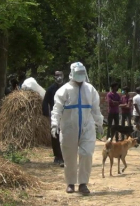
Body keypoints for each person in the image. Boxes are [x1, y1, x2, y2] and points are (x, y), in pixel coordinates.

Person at [51, 62, 104, 195]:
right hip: (69, 128)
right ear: (72, 74)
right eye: (78, 74)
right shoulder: (63, 90)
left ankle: (83, 183)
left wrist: (100, 123)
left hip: (87, 128)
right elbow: (56, 109)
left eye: (82, 73)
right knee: (69, 157)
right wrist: (54, 124)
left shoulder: (90, 90)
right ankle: (70, 183)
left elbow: (96, 109)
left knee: (86, 154)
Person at [43, 71, 65, 167]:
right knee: (55, 135)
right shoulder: (51, 89)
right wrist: (46, 114)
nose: (58, 77)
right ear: (54, 77)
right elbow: (45, 102)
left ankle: (65, 156)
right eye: (56, 75)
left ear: (63, 76)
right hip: (55, 116)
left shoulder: (67, 88)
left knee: (65, 136)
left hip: (66, 115)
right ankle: (57, 156)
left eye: (60, 75)